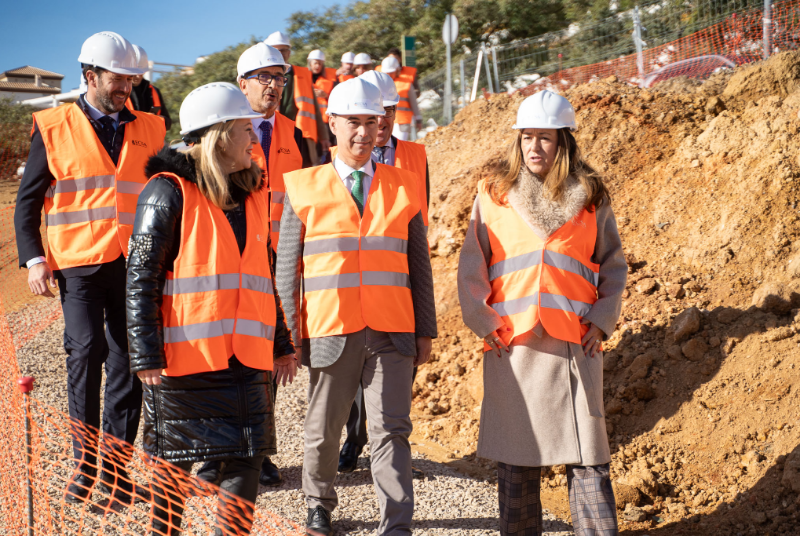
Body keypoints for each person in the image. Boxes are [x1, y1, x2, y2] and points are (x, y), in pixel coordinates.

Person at [126, 81, 297, 535]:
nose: (254, 138)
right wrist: (145, 354)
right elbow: (141, 278)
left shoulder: (253, 193)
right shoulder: (166, 192)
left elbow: (262, 276)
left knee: (247, 459)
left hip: (248, 360)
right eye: (245, 129)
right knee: (174, 464)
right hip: (185, 363)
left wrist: (281, 343)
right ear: (219, 136)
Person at [456, 90, 627, 536]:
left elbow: (613, 264)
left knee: (588, 458)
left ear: (564, 142)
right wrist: (484, 321)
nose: (534, 147)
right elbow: (472, 265)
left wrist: (602, 320)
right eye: (527, 137)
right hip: (514, 345)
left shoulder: (591, 197)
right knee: (518, 462)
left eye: (545, 138)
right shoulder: (493, 195)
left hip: (576, 344)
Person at [276, 77, 437, 536]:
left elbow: (419, 265)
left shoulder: (404, 186)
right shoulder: (303, 187)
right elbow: (286, 270)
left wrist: (425, 330)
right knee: (324, 429)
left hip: (392, 331)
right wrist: (287, 337)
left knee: (392, 430)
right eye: (353, 122)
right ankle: (318, 504)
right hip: (331, 329)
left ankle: (397, 523)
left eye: (372, 121)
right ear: (332, 123)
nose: (364, 132)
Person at [13, 31, 166, 506]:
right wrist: (34, 259)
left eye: (130, 80)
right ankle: (85, 466)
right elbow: (28, 200)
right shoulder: (53, 126)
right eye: (116, 79)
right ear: (90, 76)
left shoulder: (151, 126)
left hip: (136, 263)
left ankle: (116, 474)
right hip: (78, 263)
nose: (124, 88)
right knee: (85, 352)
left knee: (129, 362)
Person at [334, 70, 432, 477]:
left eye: (390, 110)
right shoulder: (343, 153)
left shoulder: (416, 155)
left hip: (402, 270)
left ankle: (389, 445)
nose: (385, 118)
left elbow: (420, 214)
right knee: (359, 363)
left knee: (398, 364)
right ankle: (355, 438)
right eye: (379, 111)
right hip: (356, 275)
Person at [266, 31, 331, 166]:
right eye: (276, 50)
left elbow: (314, 108)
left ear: (289, 53)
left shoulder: (303, 74)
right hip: (275, 132)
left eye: (283, 50)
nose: (280, 54)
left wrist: (323, 136)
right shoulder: (263, 76)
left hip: (302, 135)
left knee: (304, 170)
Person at [126, 44, 172, 129]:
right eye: (135, 72)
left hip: (152, 137)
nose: (138, 76)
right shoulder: (120, 91)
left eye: (141, 72)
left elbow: (168, 123)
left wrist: (155, 119)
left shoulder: (154, 91)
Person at [380, 56, 423, 141]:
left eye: (391, 72)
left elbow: (414, 103)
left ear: (397, 70)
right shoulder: (380, 84)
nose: (389, 75)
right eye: (387, 73)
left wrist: (418, 119)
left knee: (398, 145)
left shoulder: (406, 84)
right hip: (385, 121)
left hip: (403, 121)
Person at [308, 49, 337, 152]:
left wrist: (326, 95)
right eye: (315, 63)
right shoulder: (302, 78)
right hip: (309, 120)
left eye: (320, 63)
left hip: (325, 120)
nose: (318, 66)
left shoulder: (330, 80)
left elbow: (337, 97)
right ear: (310, 63)